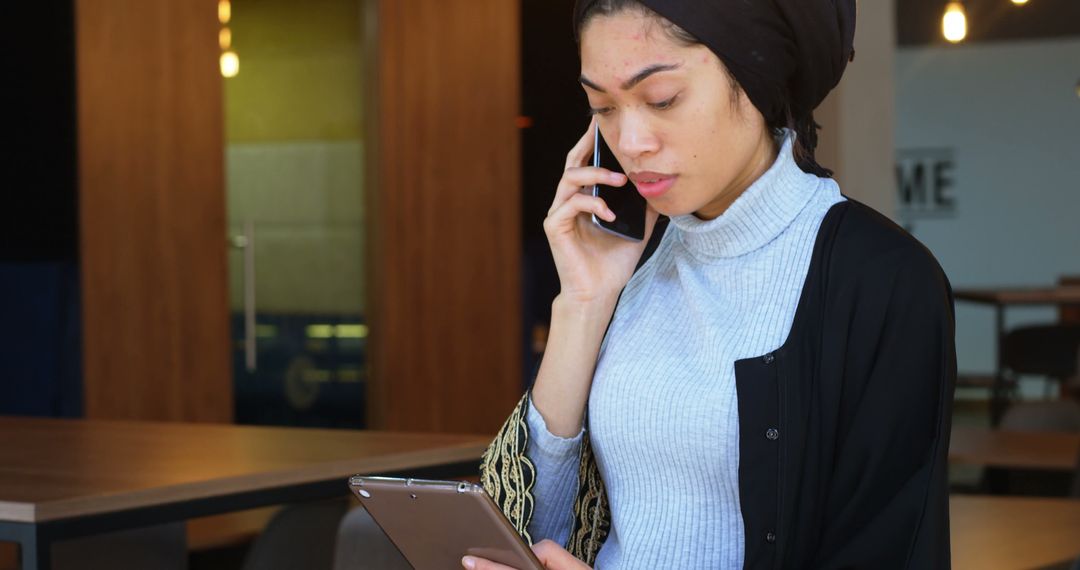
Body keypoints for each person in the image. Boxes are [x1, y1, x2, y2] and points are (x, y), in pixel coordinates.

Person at [466, 0, 956, 568]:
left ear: (755, 77)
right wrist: (582, 302)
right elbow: (520, 532)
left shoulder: (881, 283)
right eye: (601, 106)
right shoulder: (626, 260)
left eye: (661, 100)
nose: (630, 142)